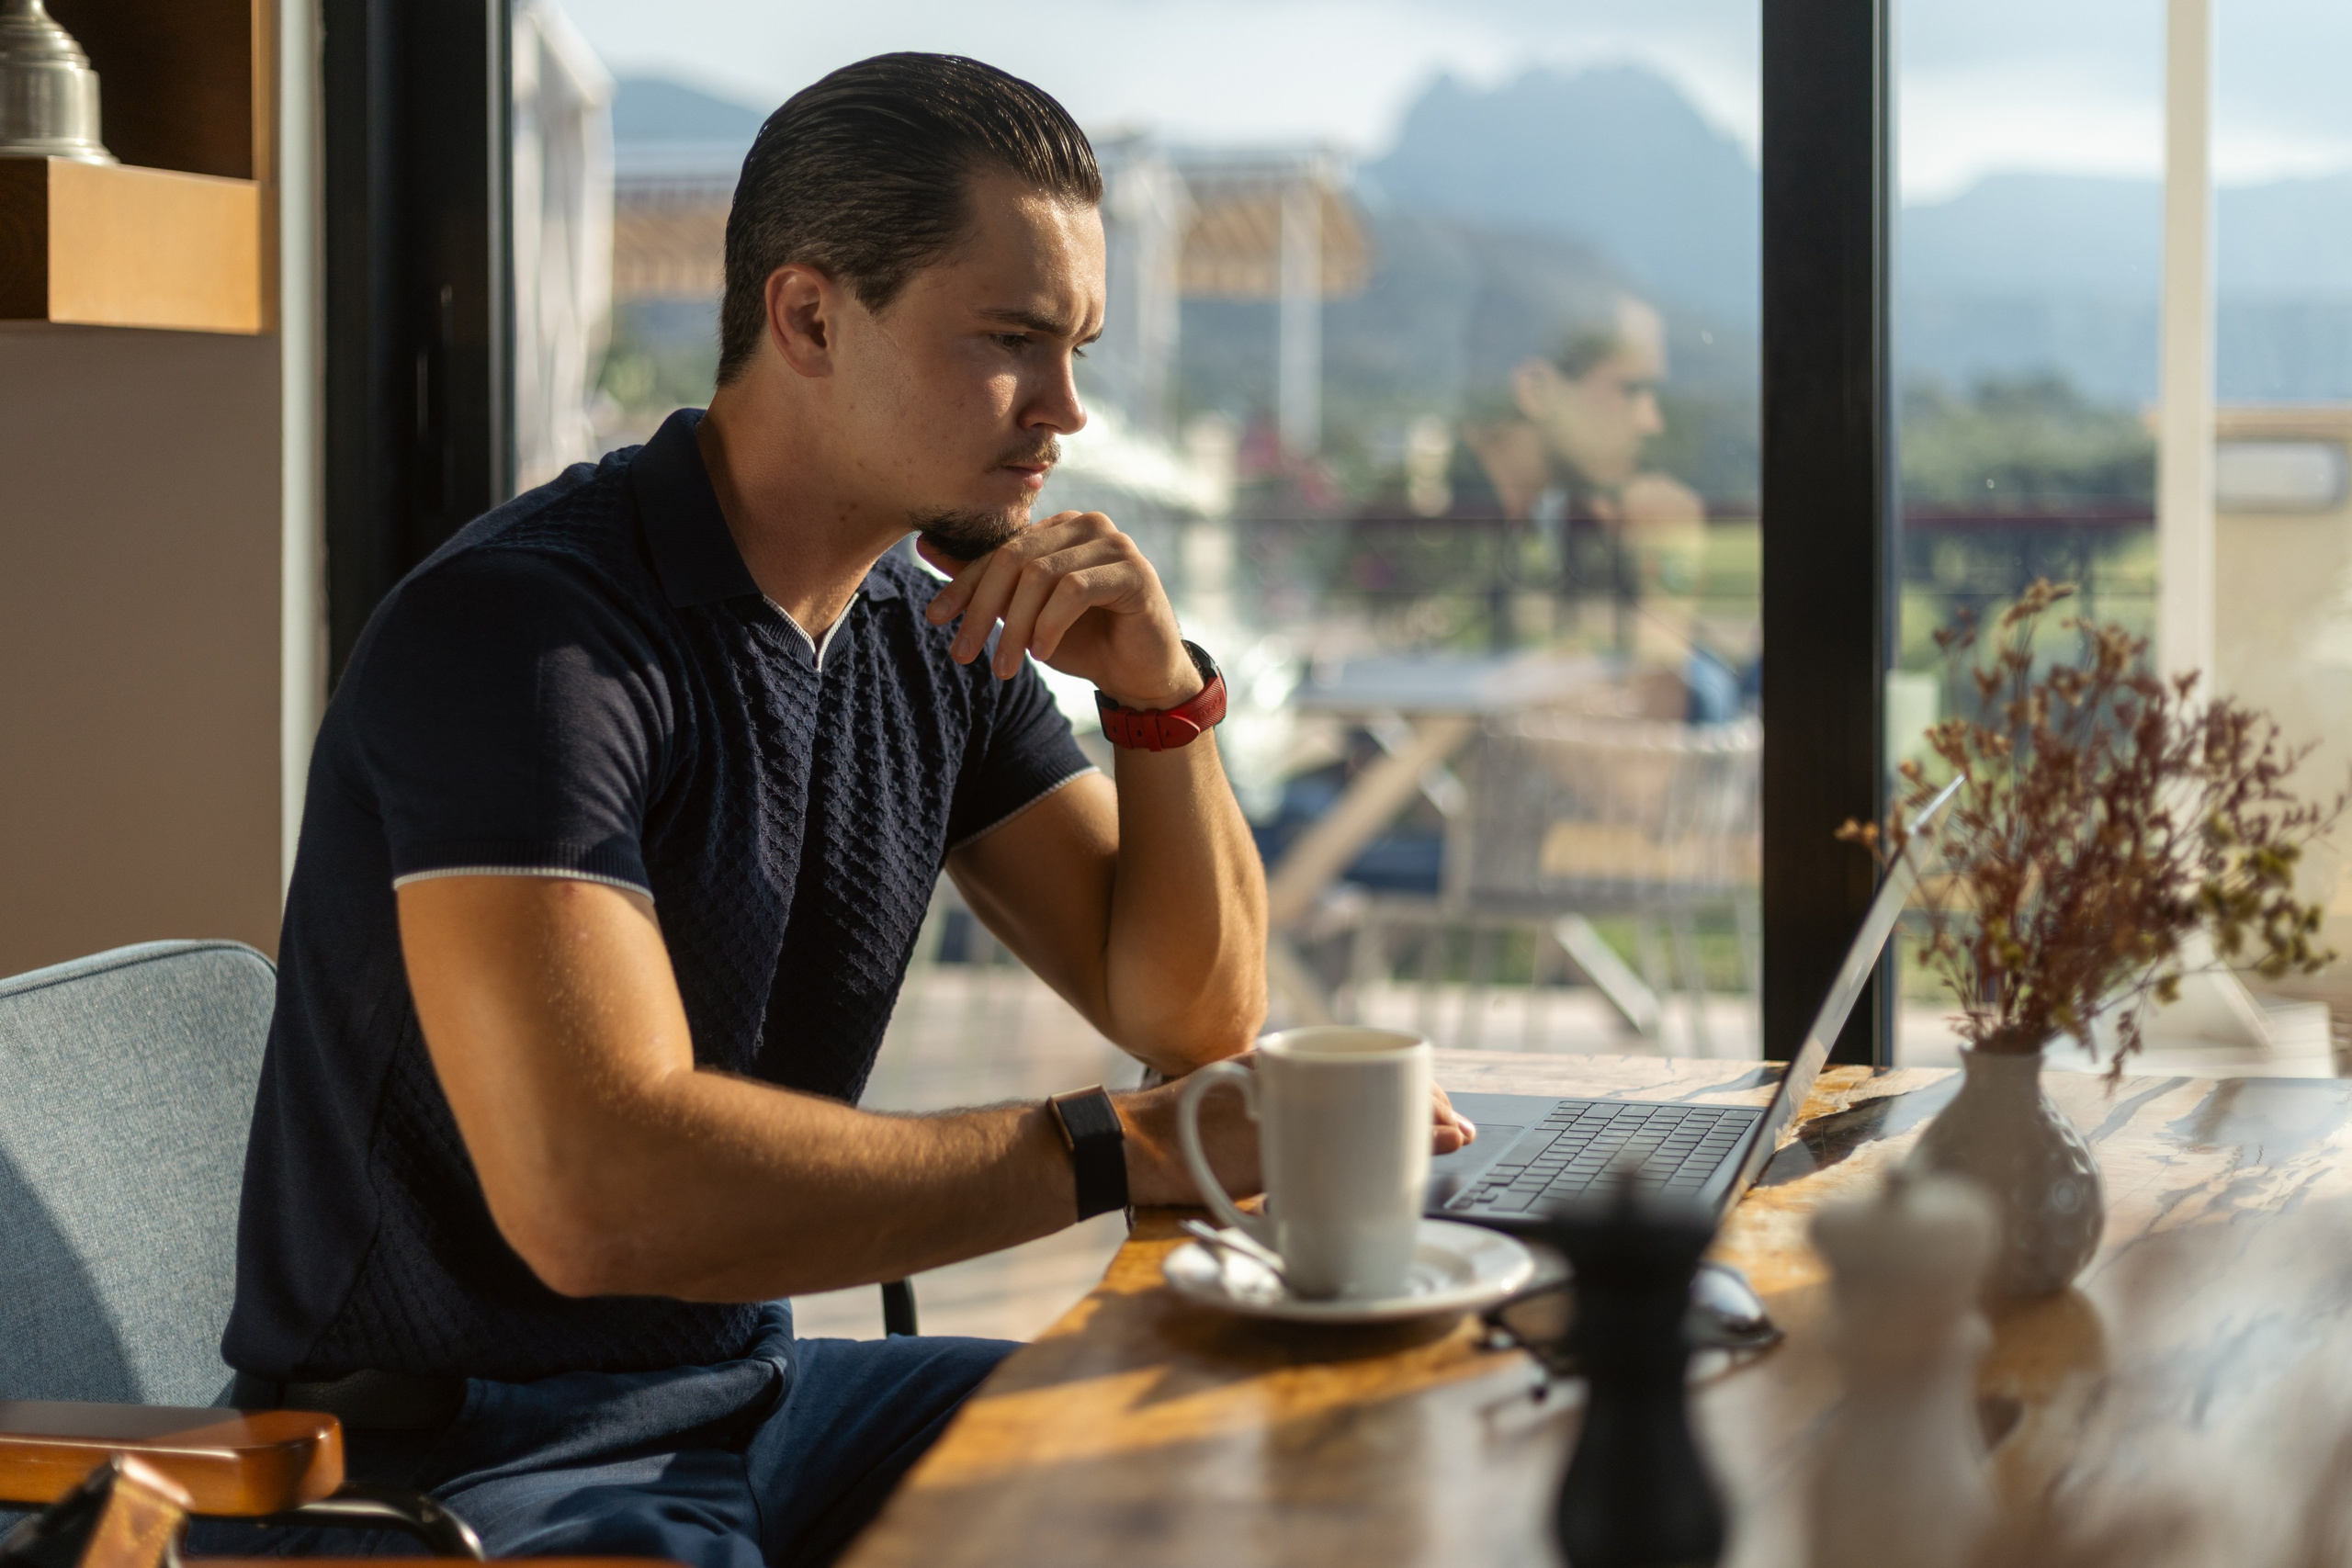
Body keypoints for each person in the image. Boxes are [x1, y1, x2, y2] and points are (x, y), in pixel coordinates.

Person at [214, 53, 1470, 1568]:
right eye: (1011, 341)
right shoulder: (529, 642)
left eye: (1075, 348)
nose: (1065, 410)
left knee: (1254, 1452)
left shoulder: (926, 633)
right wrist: (1123, 1145)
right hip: (464, 1460)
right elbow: (593, 1199)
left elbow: (1188, 1012)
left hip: (752, 1399)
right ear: (809, 317)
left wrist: (1160, 695)